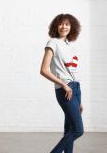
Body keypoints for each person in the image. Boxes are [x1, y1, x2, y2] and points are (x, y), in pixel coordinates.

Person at [40, 13, 84, 153]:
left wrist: (79, 100)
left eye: (67, 24)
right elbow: (44, 70)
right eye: (61, 23)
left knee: (70, 129)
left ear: (72, 27)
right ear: (56, 26)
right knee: (78, 130)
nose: (64, 26)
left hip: (75, 88)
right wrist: (64, 85)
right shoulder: (52, 42)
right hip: (65, 89)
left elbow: (72, 72)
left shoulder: (70, 45)